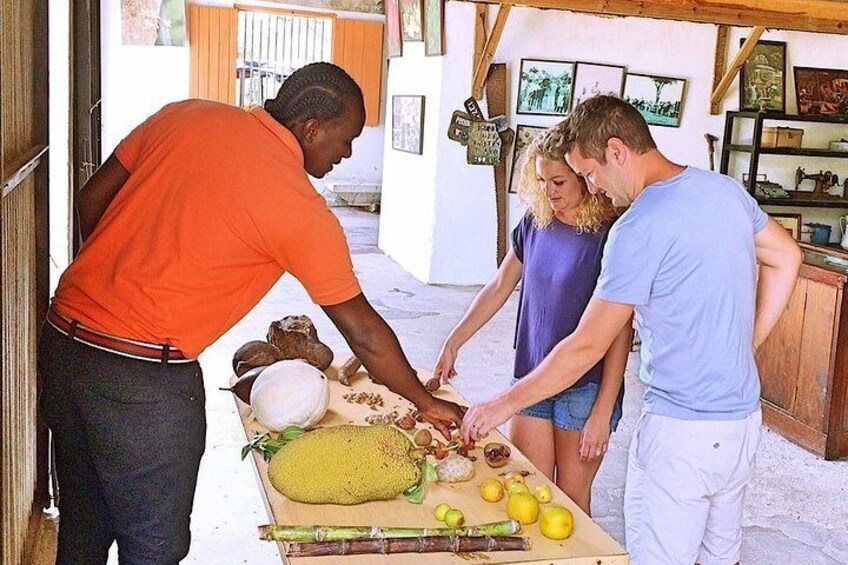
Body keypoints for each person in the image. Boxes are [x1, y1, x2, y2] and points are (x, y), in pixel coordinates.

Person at [39, 62, 465, 565]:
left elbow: (92, 202)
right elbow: (364, 334)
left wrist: (126, 276)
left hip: (62, 344)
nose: (347, 154)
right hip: (143, 378)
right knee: (153, 547)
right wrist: (421, 399)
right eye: (346, 139)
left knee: (85, 521)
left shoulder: (185, 115)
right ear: (311, 129)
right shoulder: (301, 211)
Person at [461, 95, 802, 564]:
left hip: (680, 432)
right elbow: (787, 258)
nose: (593, 188)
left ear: (617, 151)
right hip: (741, 424)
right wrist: (744, 348)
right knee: (721, 555)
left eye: (590, 173)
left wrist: (502, 403)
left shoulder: (636, 227)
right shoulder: (724, 191)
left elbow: (587, 346)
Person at [433, 123, 630, 515]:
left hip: (584, 390)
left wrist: (604, 410)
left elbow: (620, 332)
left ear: (583, 176)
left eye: (558, 181)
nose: (549, 192)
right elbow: (499, 285)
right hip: (529, 377)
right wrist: (453, 342)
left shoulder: (612, 235)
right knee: (525, 496)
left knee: (570, 508)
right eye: (541, 181)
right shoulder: (536, 222)